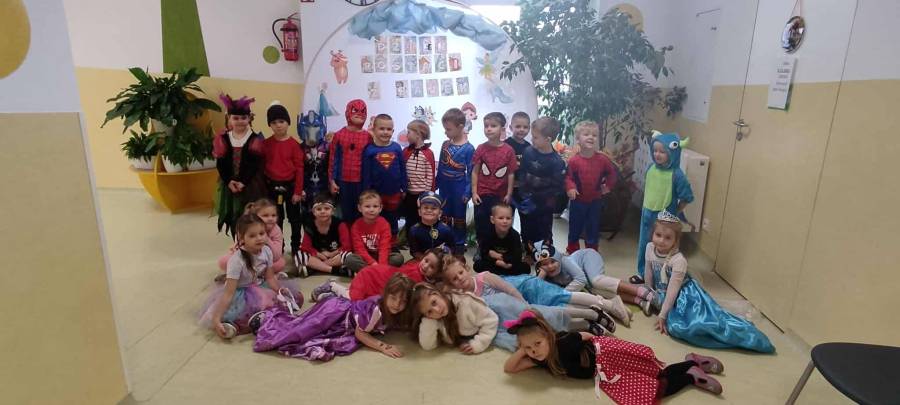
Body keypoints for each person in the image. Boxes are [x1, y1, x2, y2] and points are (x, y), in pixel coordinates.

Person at [503, 310, 726, 404]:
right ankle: (692, 367)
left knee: (653, 377)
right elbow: (510, 368)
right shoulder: (539, 359)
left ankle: (691, 372)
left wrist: (605, 347)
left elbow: (586, 335)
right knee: (648, 386)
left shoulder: (562, 342)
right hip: (603, 372)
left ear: (548, 336)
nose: (534, 351)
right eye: (529, 348)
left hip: (606, 358)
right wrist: (524, 348)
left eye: (537, 344)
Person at [643, 212, 775, 353]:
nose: (661, 240)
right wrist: (648, 289)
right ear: (652, 234)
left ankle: (748, 338)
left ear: (675, 240)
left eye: (668, 237)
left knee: (684, 326)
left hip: (684, 296)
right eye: (658, 235)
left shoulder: (678, 260)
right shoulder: (650, 248)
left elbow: (673, 291)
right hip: (664, 291)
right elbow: (648, 271)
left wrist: (662, 315)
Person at [439, 254, 606, 351]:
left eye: (460, 273)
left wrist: (523, 304)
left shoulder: (484, 278)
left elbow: (508, 289)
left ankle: (590, 313)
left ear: (466, 269)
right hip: (501, 320)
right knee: (541, 332)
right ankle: (585, 325)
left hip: (514, 305)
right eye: (454, 279)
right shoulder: (462, 296)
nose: (460, 278)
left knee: (546, 315)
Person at [251, 273, 415, 362]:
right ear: (386, 295)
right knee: (302, 329)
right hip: (336, 311)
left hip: (344, 321)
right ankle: (268, 319)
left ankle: (326, 293)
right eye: (393, 298)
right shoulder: (376, 311)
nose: (397, 304)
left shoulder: (398, 312)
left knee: (322, 339)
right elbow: (360, 334)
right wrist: (383, 347)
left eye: (402, 301)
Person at [199, 214, 285, 339]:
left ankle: (260, 318)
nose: (259, 238)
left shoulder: (266, 251)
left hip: (259, 286)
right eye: (252, 236)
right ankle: (236, 325)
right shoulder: (236, 261)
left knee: (291, 301)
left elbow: (270, 278)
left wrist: (280, 291)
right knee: (244, 314)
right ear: (241, 237)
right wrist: (216, 319)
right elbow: (228, 293)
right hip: (239, 293)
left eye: (262, 233)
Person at [533, 241, 652, 323]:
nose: (550, 266)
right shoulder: (547, 275)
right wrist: (541, 275)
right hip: (585, 278)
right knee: (596, 290)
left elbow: (580, 279)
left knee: (596, 282)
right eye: (544, 265)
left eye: (553, 262)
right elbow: (535, 289)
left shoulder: (564, 261)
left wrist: (564, 293)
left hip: (588, 257)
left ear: (558, 259)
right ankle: (638, 300)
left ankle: (642, 291)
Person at [632, 131, 693, 283]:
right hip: (647, 214)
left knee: (664, 246)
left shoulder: (677, 175)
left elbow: (686, 196)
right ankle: (643, 272)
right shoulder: (651, 168)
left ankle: (664, 274)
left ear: (672, 153)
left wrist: (676, 211)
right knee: (645, 244)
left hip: (665, 217)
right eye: (655, 151)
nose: (657, 154)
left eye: (662, 152)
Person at [213, 94, 267, 235]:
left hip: (250, 183)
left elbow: (254, 165)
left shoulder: (255, 139)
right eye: (236, 118)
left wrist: (243, 182)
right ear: (229, 118)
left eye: (243, 118)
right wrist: (228, 181)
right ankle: (238, 239)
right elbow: (221, 163)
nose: (240, 121)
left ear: (249, 118)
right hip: (229, 183)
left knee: (251, 213)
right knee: (234, 215)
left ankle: (253, 238)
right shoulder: (223, 138)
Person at [313, 248, 445, 302]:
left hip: (382, 280)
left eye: (432, 266)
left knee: (360, 301)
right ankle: (333, 286)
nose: (425, 266)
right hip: (373, 277)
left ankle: (331, 296)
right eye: (426, 260)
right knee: (356, 301)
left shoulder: (423, 277)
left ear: (437, 272)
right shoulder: (416, 275)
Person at [564, 120, 618, 254]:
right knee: (575, 226)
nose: (591, 137)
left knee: (593, 226)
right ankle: (572, 250)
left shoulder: (603, 160)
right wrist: (570, 188)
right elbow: (568, 177)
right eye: (586, 134)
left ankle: (592, 251)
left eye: (594, 135)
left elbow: (612, 173)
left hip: (595, 201)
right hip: (577, 201)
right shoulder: (574, 161)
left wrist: (608, 186)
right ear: (578, 139)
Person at [519, 117, 566, 258]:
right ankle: (529, 252)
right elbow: (522, 173)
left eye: (535, 137)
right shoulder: (528, 152)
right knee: (527, 227)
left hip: (545, 204)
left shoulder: (557, 162)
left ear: (548, 139)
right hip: (527, 199)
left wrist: (538, 198)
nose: (531, 140)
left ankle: (545, 255)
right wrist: (523, 194)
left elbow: (558, 187)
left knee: (544, 229)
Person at [263, 102, 304, 254]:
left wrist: (298, 191)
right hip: (272, 187)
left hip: (291, 187)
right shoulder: (266, 144)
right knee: (276, 219)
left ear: (288, 122)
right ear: (270, 125)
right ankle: (277, 247)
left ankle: (296, 246)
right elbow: (262, 167)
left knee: (294, 219)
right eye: (274, 122)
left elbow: (299, 169)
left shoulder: (294, 145)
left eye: (281, 121)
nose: (278, 125)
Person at [411, 283, 498, 355]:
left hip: (489, 316)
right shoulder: (433, 318)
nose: (437, 310)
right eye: (429, 311)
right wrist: (428, 321)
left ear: (437, 294)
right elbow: (428, 346)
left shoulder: (466, 303)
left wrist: (479, 343)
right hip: (466, 336)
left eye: (434, 302)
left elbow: (491, 320)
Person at [471, 112, 518, 244]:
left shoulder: (509, 150)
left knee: (498, 222)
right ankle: (482, 247)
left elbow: (511, 173)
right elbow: (475, 172)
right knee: (481, 221)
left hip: (500, 195)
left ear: (502, 129)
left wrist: (509, 193)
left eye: (493, 126)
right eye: (486, 126)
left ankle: (497, 247)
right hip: (482, 194)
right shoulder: (481, 148)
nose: (489, 129)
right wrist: (474, 192)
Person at [362, 114, 407, 243]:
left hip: (394, 192)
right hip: (376, 193)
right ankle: (376, 242)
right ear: (374, 130)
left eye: (388, 129)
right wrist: (367, 192)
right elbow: (366, 173)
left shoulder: (396, 147)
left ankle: (392, 243)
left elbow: (402, 169)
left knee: (392, 218)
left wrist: (404, 187)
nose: (385, 132)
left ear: (393, 131)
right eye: (381, 129)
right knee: (376, 218)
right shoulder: (369, 150)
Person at [435, 108, 474, 256]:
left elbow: (471, 172)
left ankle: (459, 243)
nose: (446, 132)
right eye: (445, 129)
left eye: (448, 129)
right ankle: (446, 241)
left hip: (459, 186)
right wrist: (436, 184)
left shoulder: (469, 148)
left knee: (459, 216)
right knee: (444, 213)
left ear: (460, 127)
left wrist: (468, 192)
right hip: (445, 186)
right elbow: (441, 167)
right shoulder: (445, 144)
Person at [217, 199, 287, 278]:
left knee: (280, 263)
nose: (270, 218)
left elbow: (277, 255)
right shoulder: (246, 226)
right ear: (255, 217)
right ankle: (242, 273)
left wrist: (267, 240)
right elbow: (238, 246)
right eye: (265, 215)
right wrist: (236, 248)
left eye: (273, 215)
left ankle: (255, 274)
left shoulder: (276, 230)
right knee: (223, 261)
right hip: (247, 259)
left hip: (264, 260)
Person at [329, 99, 371, 224]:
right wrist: (332, 180)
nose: (359, 114)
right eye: (355, 110)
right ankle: (347, 235)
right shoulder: (339, 135)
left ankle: (359, 235)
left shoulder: (368, 136)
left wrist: (369, 183)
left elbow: (370, 162)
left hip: (361, 181)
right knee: (345, 213)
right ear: (348, 112)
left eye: (363, 111)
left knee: (361, 212)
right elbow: (333, 159)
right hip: (343, 181)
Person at [346, 191, 405, 274]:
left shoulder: (384, 224)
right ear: (360, 208)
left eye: (375, 206)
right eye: (367, 206)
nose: (371, 210)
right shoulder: (356, 226)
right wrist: (373, 263)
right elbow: (359, 249)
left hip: (381, 256)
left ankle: (370, 272)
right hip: (365, 257)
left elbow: (384, 247)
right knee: (349, 259)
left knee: (398, 258)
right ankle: (374, 272)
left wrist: (382, 265)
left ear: (380, 208)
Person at [294, 193, 351, 278]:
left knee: (348, 255)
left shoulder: (340, 224)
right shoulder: (310, 225)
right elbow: (305, 246)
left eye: (327, 208)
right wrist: (319, 255)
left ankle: (317, 267)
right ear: (314, 212)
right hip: (317, 255)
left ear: (333, 211)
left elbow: (347, 246)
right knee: (299, 254)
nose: (323, 211)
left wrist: (331, 254)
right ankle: (334, 270)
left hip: (335, 256)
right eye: (319, 209)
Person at [400, 120, 436, 242]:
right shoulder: (406, 151)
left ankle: (423, 240)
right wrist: (402, 189)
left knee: (422, 219)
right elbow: (402, 172)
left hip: (421, 195)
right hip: (409, 193)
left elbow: (430, 174)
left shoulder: (428, 153)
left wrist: (427, 194)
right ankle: (410, 241)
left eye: (409, 132)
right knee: (409, 218)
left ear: (418, 134)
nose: (407, 135)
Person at [472, 202, 530, 276]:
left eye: (508, 218)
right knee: (477, 265)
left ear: (512, 220)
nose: (505, 221)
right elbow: (484, 254)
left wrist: (498, 256)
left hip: (509, 264)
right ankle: (502, 272)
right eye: (501, 218)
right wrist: (497, 262)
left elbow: (517, 257)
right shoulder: (487, 234)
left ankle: (499, 273)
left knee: (526, 268)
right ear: (492, 220)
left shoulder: (515, 235)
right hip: (494, 263)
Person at [297, 110, 330, 214]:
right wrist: (299, 189)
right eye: (308, 127)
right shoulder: (299, 148)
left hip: (324, 188)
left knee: (324, 214)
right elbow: (298, 170)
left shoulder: (328, 147)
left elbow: (332, 168)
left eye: (315, 127)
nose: (311, 131)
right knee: (307, 215)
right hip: (306, 189)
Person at [407, 192, 455, 260]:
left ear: (440, 213)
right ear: (419, 212)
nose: (429, 210)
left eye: (433, 208)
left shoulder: (446, 229)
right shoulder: (414, 230)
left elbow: (452, 248)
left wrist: (445, 251)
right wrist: (427, 259)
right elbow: (414, 251)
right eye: (426, 207)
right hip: (421, 260)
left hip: (441, 260)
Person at [505, 112, 531, 218]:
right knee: (507, 216)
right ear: (511, 128)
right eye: (518, 126)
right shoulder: (505, 145)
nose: (521, 129)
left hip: (523, 189)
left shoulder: (529, 147)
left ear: (529, 128)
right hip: (507, 188)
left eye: (525, 127)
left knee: (526, 218)